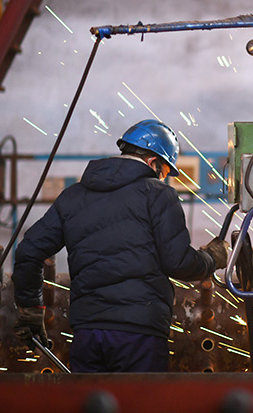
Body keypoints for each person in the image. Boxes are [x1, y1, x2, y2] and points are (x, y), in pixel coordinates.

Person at [12, 119, 229, 372]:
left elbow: (28, 251)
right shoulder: (158, 195)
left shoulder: (73, 196)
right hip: (140, 335)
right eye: (165, 171)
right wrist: (212, 259)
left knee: (92, 403)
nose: (163, 178)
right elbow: (177, 262)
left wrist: (30, 309)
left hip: (87, 333)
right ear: (153, 162)